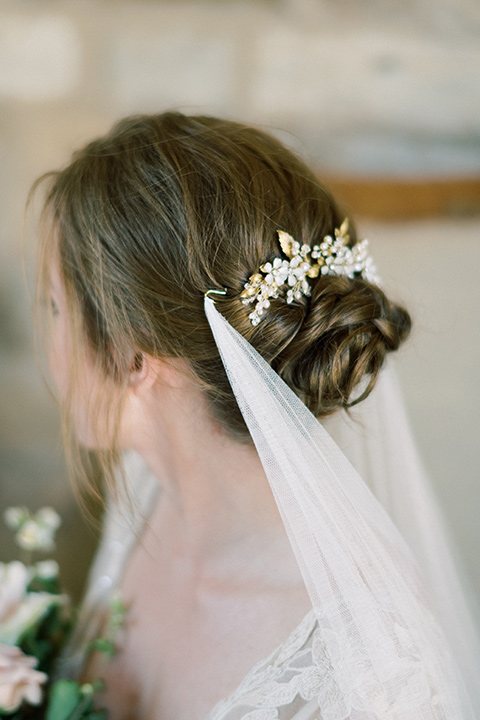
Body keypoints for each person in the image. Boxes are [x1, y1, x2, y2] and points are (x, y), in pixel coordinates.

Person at [35, 111, 479, 719]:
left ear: (131, 350)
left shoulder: (373, 675)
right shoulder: (143, 492)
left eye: (56, 307)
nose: (48, 345)